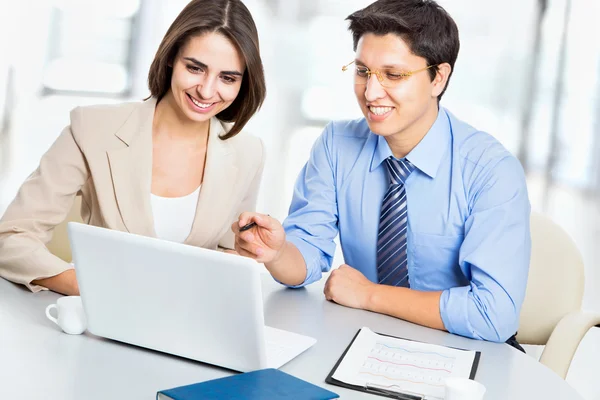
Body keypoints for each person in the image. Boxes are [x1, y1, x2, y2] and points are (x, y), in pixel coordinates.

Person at [233, 0, 531, 347]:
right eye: (362, 71)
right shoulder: (336, 145)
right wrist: (278, 252)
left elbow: (494, 314)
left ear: (439, 78)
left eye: (393, 75)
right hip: (365, 342)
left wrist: (369, 295)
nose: (371, 93)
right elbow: (307, 254)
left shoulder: (490, 171)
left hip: (465, 350)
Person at [0, 0, 266, 296]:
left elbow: (230, 257)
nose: (206, 90)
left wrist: (248, 260)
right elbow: (12, 237)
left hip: (189, 324)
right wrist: (87, 286)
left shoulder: (248, 153)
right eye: (195, 68)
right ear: (170, 58)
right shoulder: (91, 127)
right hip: (99, 318)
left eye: (227, 78)